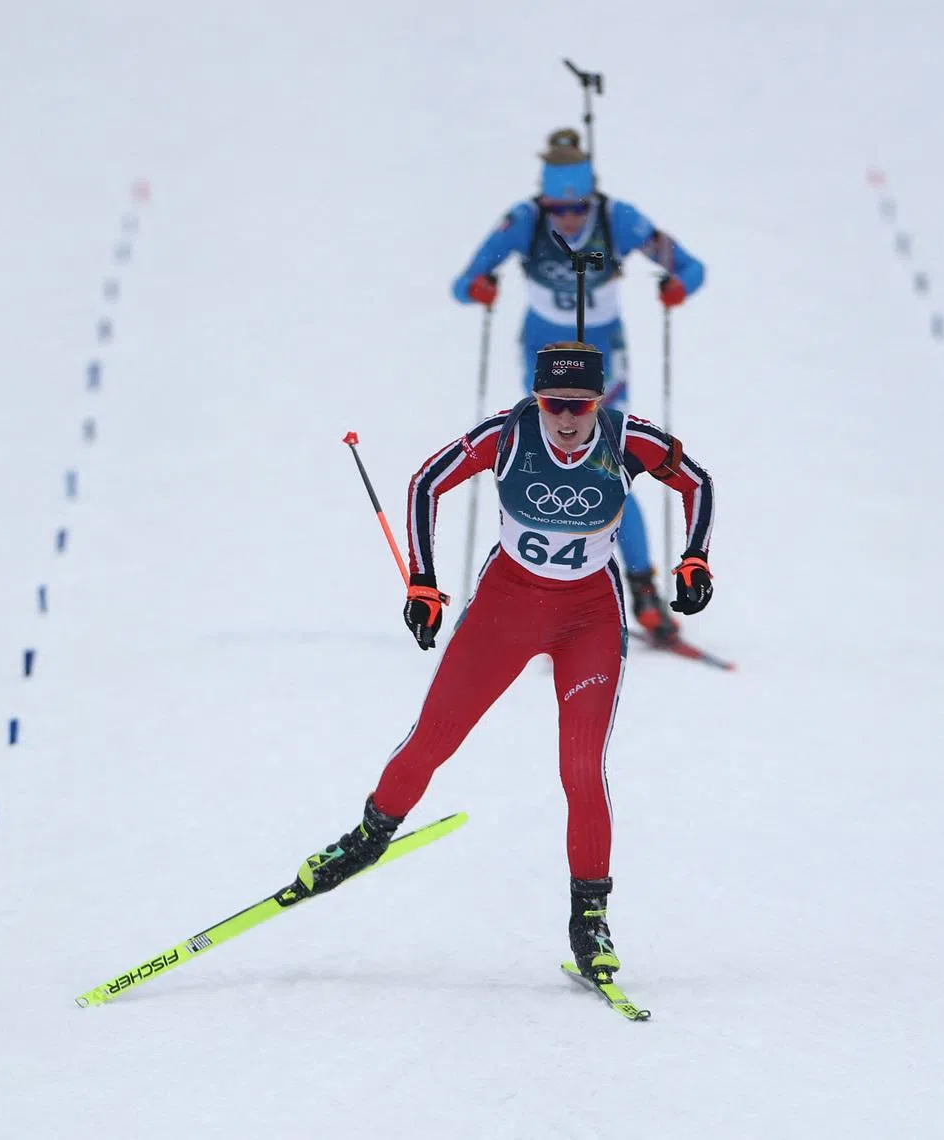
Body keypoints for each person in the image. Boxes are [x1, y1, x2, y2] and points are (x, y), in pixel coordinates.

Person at [291, 341, 715, 984]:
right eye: (553, 404)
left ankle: (590, 918)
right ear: (537, 399)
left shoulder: (630, 440)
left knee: (581, 766)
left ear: (599, 402)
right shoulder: (510, 434)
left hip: (589, 620)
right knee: (433, 737)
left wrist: (695, 559)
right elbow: (425, 482)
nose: (567, 419)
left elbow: (698, 483)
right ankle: (368, 837)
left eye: (579, 405)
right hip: (506, 609)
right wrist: (424, 583)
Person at [451, 128, 707, 642]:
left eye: (576, 210)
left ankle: (643, 591)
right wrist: (482, 286)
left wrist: (676, 286)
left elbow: (691, 267)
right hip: (544, 359)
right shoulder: (523, 222)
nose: (568, 220)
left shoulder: (620, 220)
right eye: (557, 210)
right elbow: (464, 283)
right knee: (542, 462)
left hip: (603, 360)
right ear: (544, 200)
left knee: (607, 464)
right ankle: (535, 592)